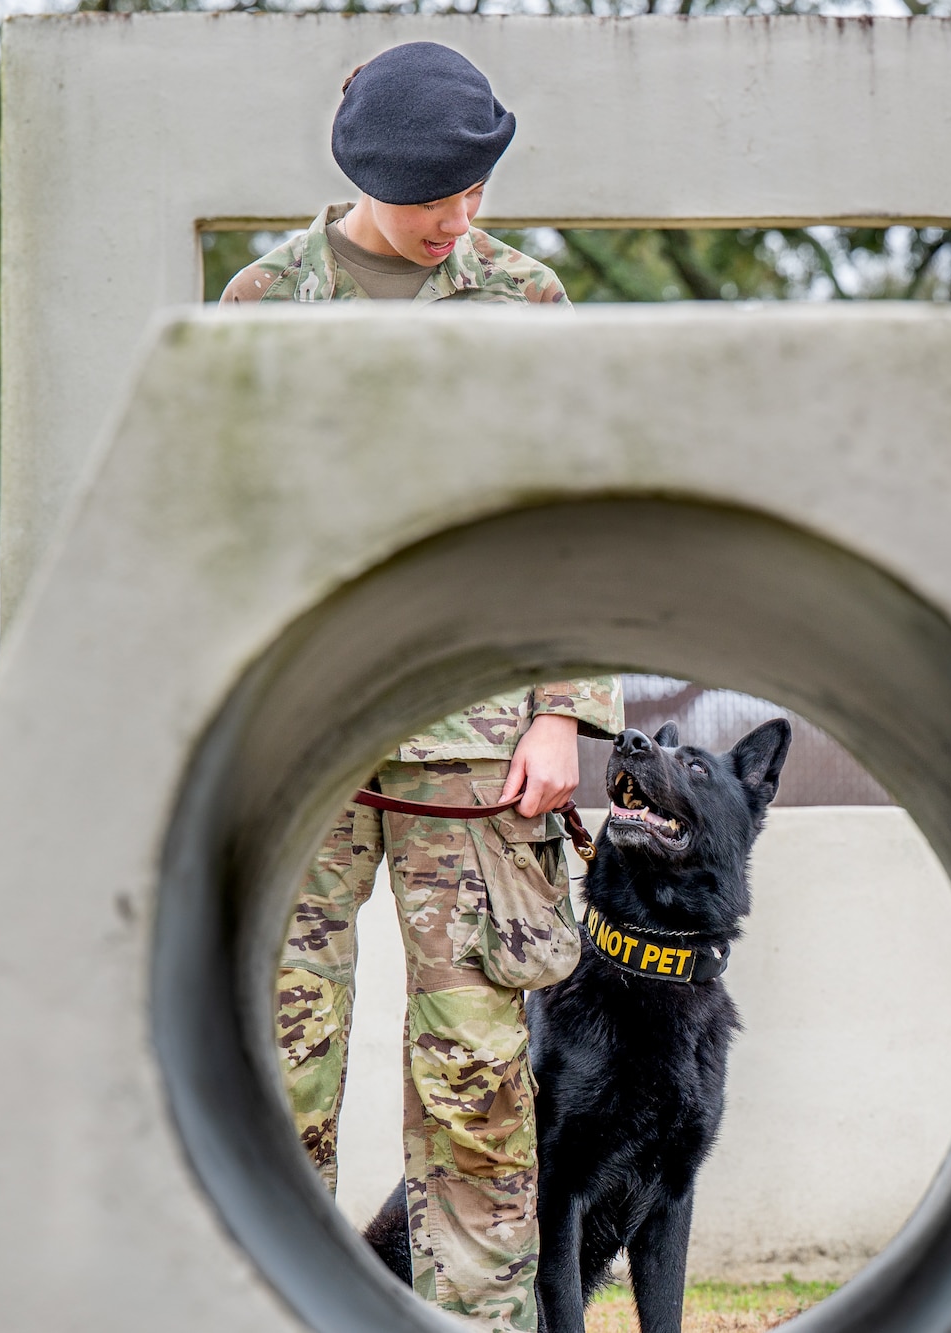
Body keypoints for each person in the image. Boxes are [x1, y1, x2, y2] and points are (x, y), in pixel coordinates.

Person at [221, 43, 623, 1333]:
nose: (467, 216)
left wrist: (565, 708)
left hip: (479, 747)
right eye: (444, 194)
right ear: (372, 180)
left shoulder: (525, 298)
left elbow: (570, 517)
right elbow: (224, 527)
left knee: (479, 1078)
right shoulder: (262, 303)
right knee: (279, 1070)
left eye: (480, 188)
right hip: (306, 742)